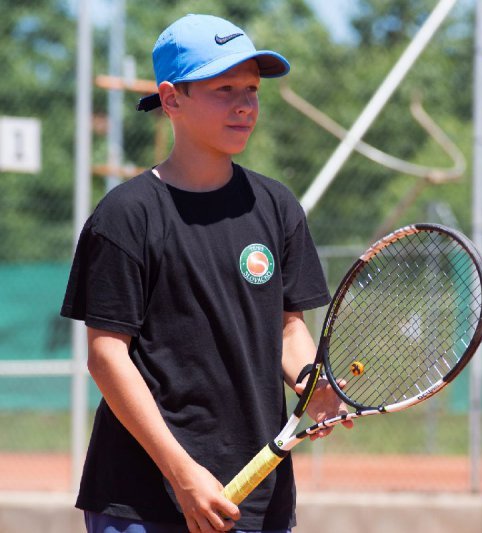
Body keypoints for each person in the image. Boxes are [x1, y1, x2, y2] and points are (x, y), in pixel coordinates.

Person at [61, 14, 350, 533]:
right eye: (223, 89)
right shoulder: (126, 215)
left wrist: (314, 384)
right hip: (143, 500)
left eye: (252, 89)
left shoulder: (277, 206)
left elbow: (288, 328)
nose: (244, 104)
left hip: (258, 500)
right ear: (172, 99)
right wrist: (182, 474)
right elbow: (107, 356)